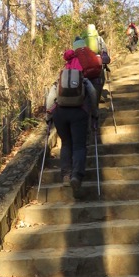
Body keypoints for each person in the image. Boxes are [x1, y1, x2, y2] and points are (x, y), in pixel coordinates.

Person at [46, 49, 98, 199]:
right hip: (79, 113)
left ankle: (66, 176)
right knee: (79, 146)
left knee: (66, 144)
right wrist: (94, 113)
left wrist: (49, 114)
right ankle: (77, 175)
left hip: (60, 114)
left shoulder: (61, 77)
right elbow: (93, 93)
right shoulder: (82, 78)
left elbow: (51, 97)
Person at [75, 23, 111, 103]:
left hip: (85, 62)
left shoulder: (82, 39)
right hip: (97, 61)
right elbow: (104, 50)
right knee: (101, 79)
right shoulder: (98, 38)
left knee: (88, 79)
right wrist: (105, 62)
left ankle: (90, 96)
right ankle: (98, 96)